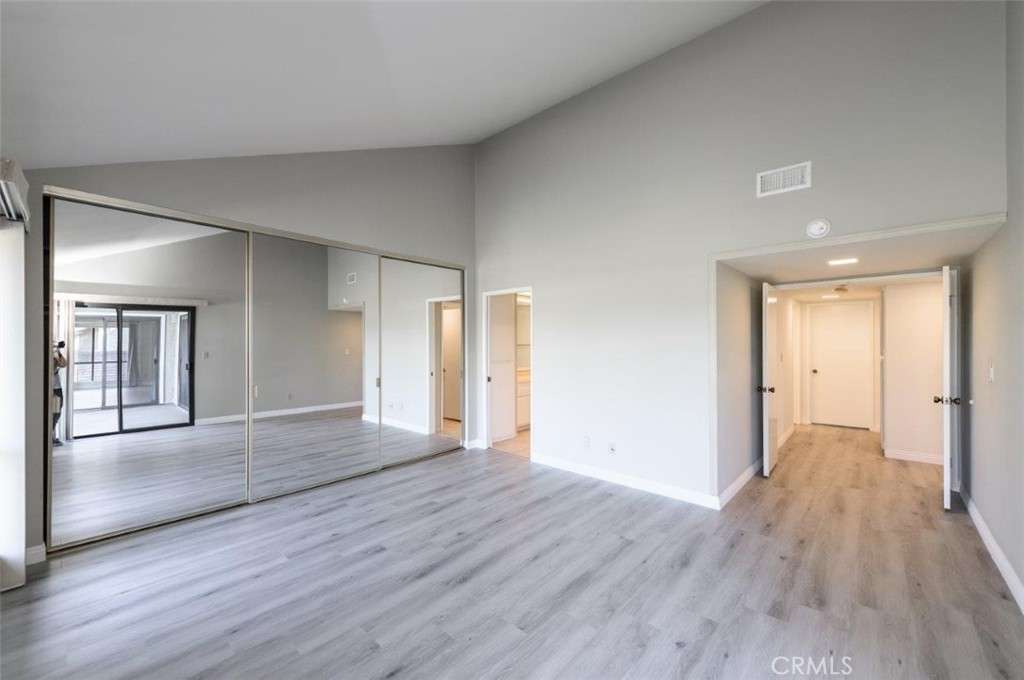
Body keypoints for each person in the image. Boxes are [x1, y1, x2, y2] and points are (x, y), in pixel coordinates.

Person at [53, 341, 68, 446]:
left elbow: (63, 364)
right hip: (47, 388)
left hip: (56, 387)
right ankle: (48, 437)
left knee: (57, 412)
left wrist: (57, 351)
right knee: (49, 413)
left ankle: (51, 436)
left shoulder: (55, 352)